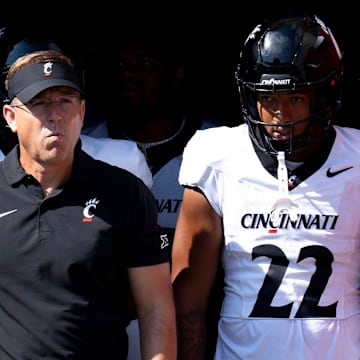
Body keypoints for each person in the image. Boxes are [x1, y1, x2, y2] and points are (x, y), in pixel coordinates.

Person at [171, 13, 360, 359]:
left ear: (324, 95)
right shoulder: (216, 157)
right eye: (269, 99)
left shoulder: (356, 161)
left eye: (296, 99)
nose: (279, 115)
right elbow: (189, 300)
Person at [0, 50, 176, 359]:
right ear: (11, 117)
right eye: (40, 103)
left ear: (81, 112)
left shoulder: (124, 193)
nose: (55, 116)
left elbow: (155, 307)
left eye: (65, 101)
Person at [82, 31, 221, 359]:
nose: (129, 73)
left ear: (178, 73)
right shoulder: (86, 145)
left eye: (144, 63)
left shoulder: (216, 145)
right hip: (109, 332)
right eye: (122, 64)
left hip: (195, 329)